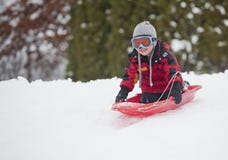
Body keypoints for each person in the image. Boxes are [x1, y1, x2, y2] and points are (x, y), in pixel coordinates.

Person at [115, 21, 184, 104]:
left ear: (153, 41)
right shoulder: (135, 59)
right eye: (137, 43)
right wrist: (124, 90)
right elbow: (130, 76)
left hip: (168, 88)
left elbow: (173, 71)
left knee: (169, 95)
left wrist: (175, 85)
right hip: (150, 91)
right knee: (146, 99)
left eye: (145, 42)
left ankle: (183, 87)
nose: (141, 47)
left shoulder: (164, 56)